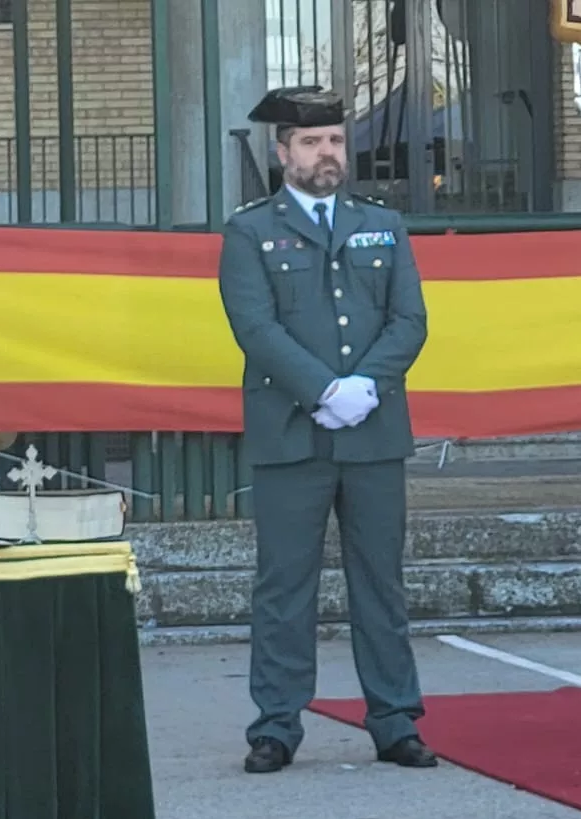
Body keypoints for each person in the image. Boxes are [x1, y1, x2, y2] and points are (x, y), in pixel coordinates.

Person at [216, 86, 433, 775]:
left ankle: (395, 721)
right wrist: (324, 390)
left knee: (381, 582)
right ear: (283, 153)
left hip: (372, 431)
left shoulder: (383, 224)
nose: (327, 153)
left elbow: (410, 319)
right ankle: (276, 726)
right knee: (284, 585)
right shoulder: (250, 231)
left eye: (335, 140)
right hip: (292, 432)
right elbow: (255, 326)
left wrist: (365, 387)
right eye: (311, 143)